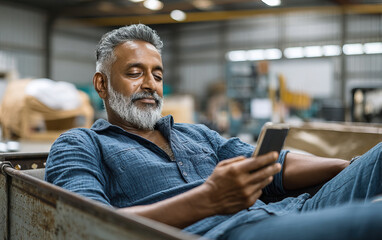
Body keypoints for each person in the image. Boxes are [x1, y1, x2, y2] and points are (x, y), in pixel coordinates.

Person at [45, 24, 382, 240]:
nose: (150, 84)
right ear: (101, 84)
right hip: (229, 232)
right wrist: (209, 199)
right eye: (135, 72)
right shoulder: (81, 144)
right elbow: (84, 226)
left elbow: (270, 165)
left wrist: (347, 167)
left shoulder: (196, 134)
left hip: (292, 209)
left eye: (158, 75)